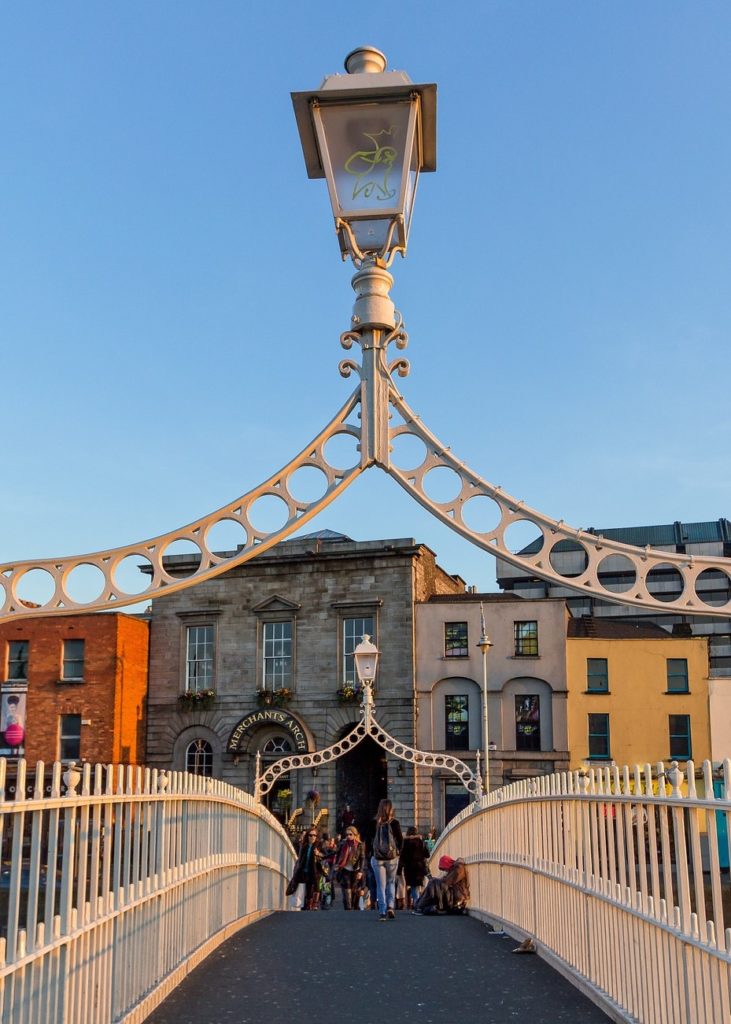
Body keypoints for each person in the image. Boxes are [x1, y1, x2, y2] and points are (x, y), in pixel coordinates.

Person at [371, 798, 403, 921]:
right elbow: (400, 840)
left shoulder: (374, 823)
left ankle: (382, 911)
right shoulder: (394, 823)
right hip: (392, 857)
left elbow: (368, 839)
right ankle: (391, 906)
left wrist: (371, 854)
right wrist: (398, 852)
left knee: (381, 885)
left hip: (378, 858)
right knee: (391, 882)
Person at [290, 828, 325, 910]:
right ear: (307, 836)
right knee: (306, 889)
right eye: (310, 835)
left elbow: (325, 855)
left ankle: (314, 905)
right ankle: (307, 905)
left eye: (314, 835)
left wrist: (318, 853)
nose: (312, 837)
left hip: (315, 871)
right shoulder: (304, 846)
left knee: (315, 888)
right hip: (304, 871)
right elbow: (298, 855)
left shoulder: (319, 845)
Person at [334, 825, 365, 909]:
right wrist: (336, 863)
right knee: (347, 887)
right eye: (347, 834)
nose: (348, 836)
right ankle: (348, 908)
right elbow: (337, 854)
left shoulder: (359, 845)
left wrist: (361, 871)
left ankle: (354, 907)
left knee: (354, 890)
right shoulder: (343, 844)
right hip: (345, 869)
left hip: (355, 870)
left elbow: (362, 858)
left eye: (350, 834)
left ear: (355, 835)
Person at [398, 826, 429, 909]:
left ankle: (416, 904)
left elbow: (402, 857)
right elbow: (427, 854)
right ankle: (418, 904)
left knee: (413, 887)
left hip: (409, 868)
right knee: (418, 886)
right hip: (419, 868)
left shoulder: (405, 843)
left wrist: (399, 870)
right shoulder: (420, 842)